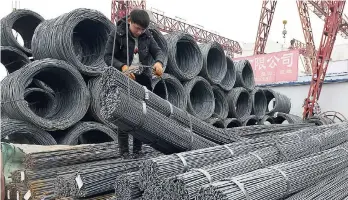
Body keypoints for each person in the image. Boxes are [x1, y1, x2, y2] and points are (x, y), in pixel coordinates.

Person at [104, 9, 165, 90]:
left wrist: (159, 62)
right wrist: (122, 66)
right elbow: (108, 56)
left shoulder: (147, 36)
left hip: (143, 79)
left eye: (143, 29)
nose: (139, 32)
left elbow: (158, 52)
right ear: (129, 21)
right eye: (137, 28)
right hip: (121, 77)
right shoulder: (117, 34)